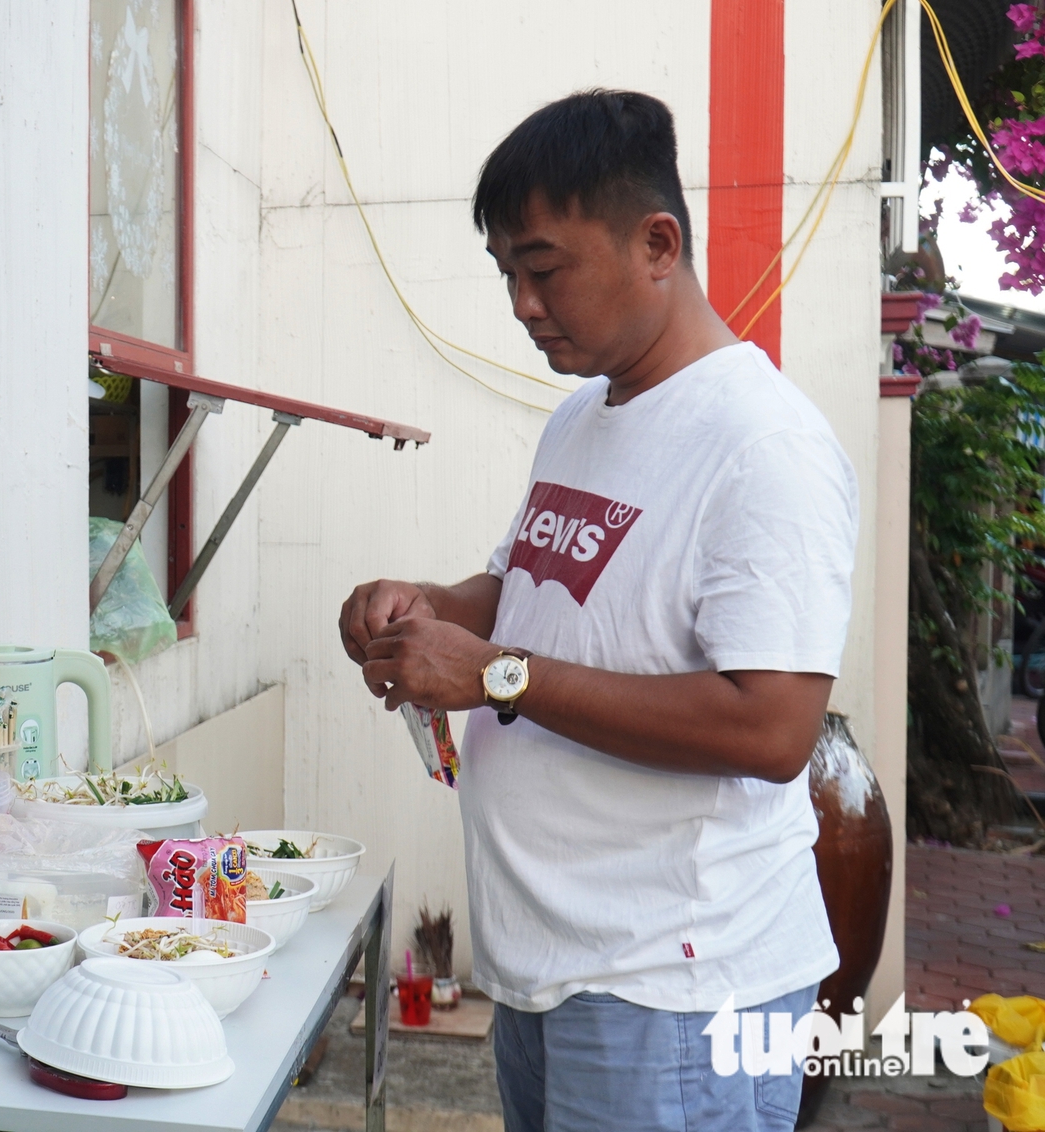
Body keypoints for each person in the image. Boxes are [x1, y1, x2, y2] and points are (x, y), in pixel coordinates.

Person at [339, 91, 855, 1132]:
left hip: (673, 994)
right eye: (506, 276)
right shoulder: (584, 414)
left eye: (542, 269)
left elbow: (768, 728)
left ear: (655, 243)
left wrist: (491, 673)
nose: (522, 305)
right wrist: (421, 608)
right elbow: (529, 585)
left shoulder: (762, 447)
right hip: (553, 969)